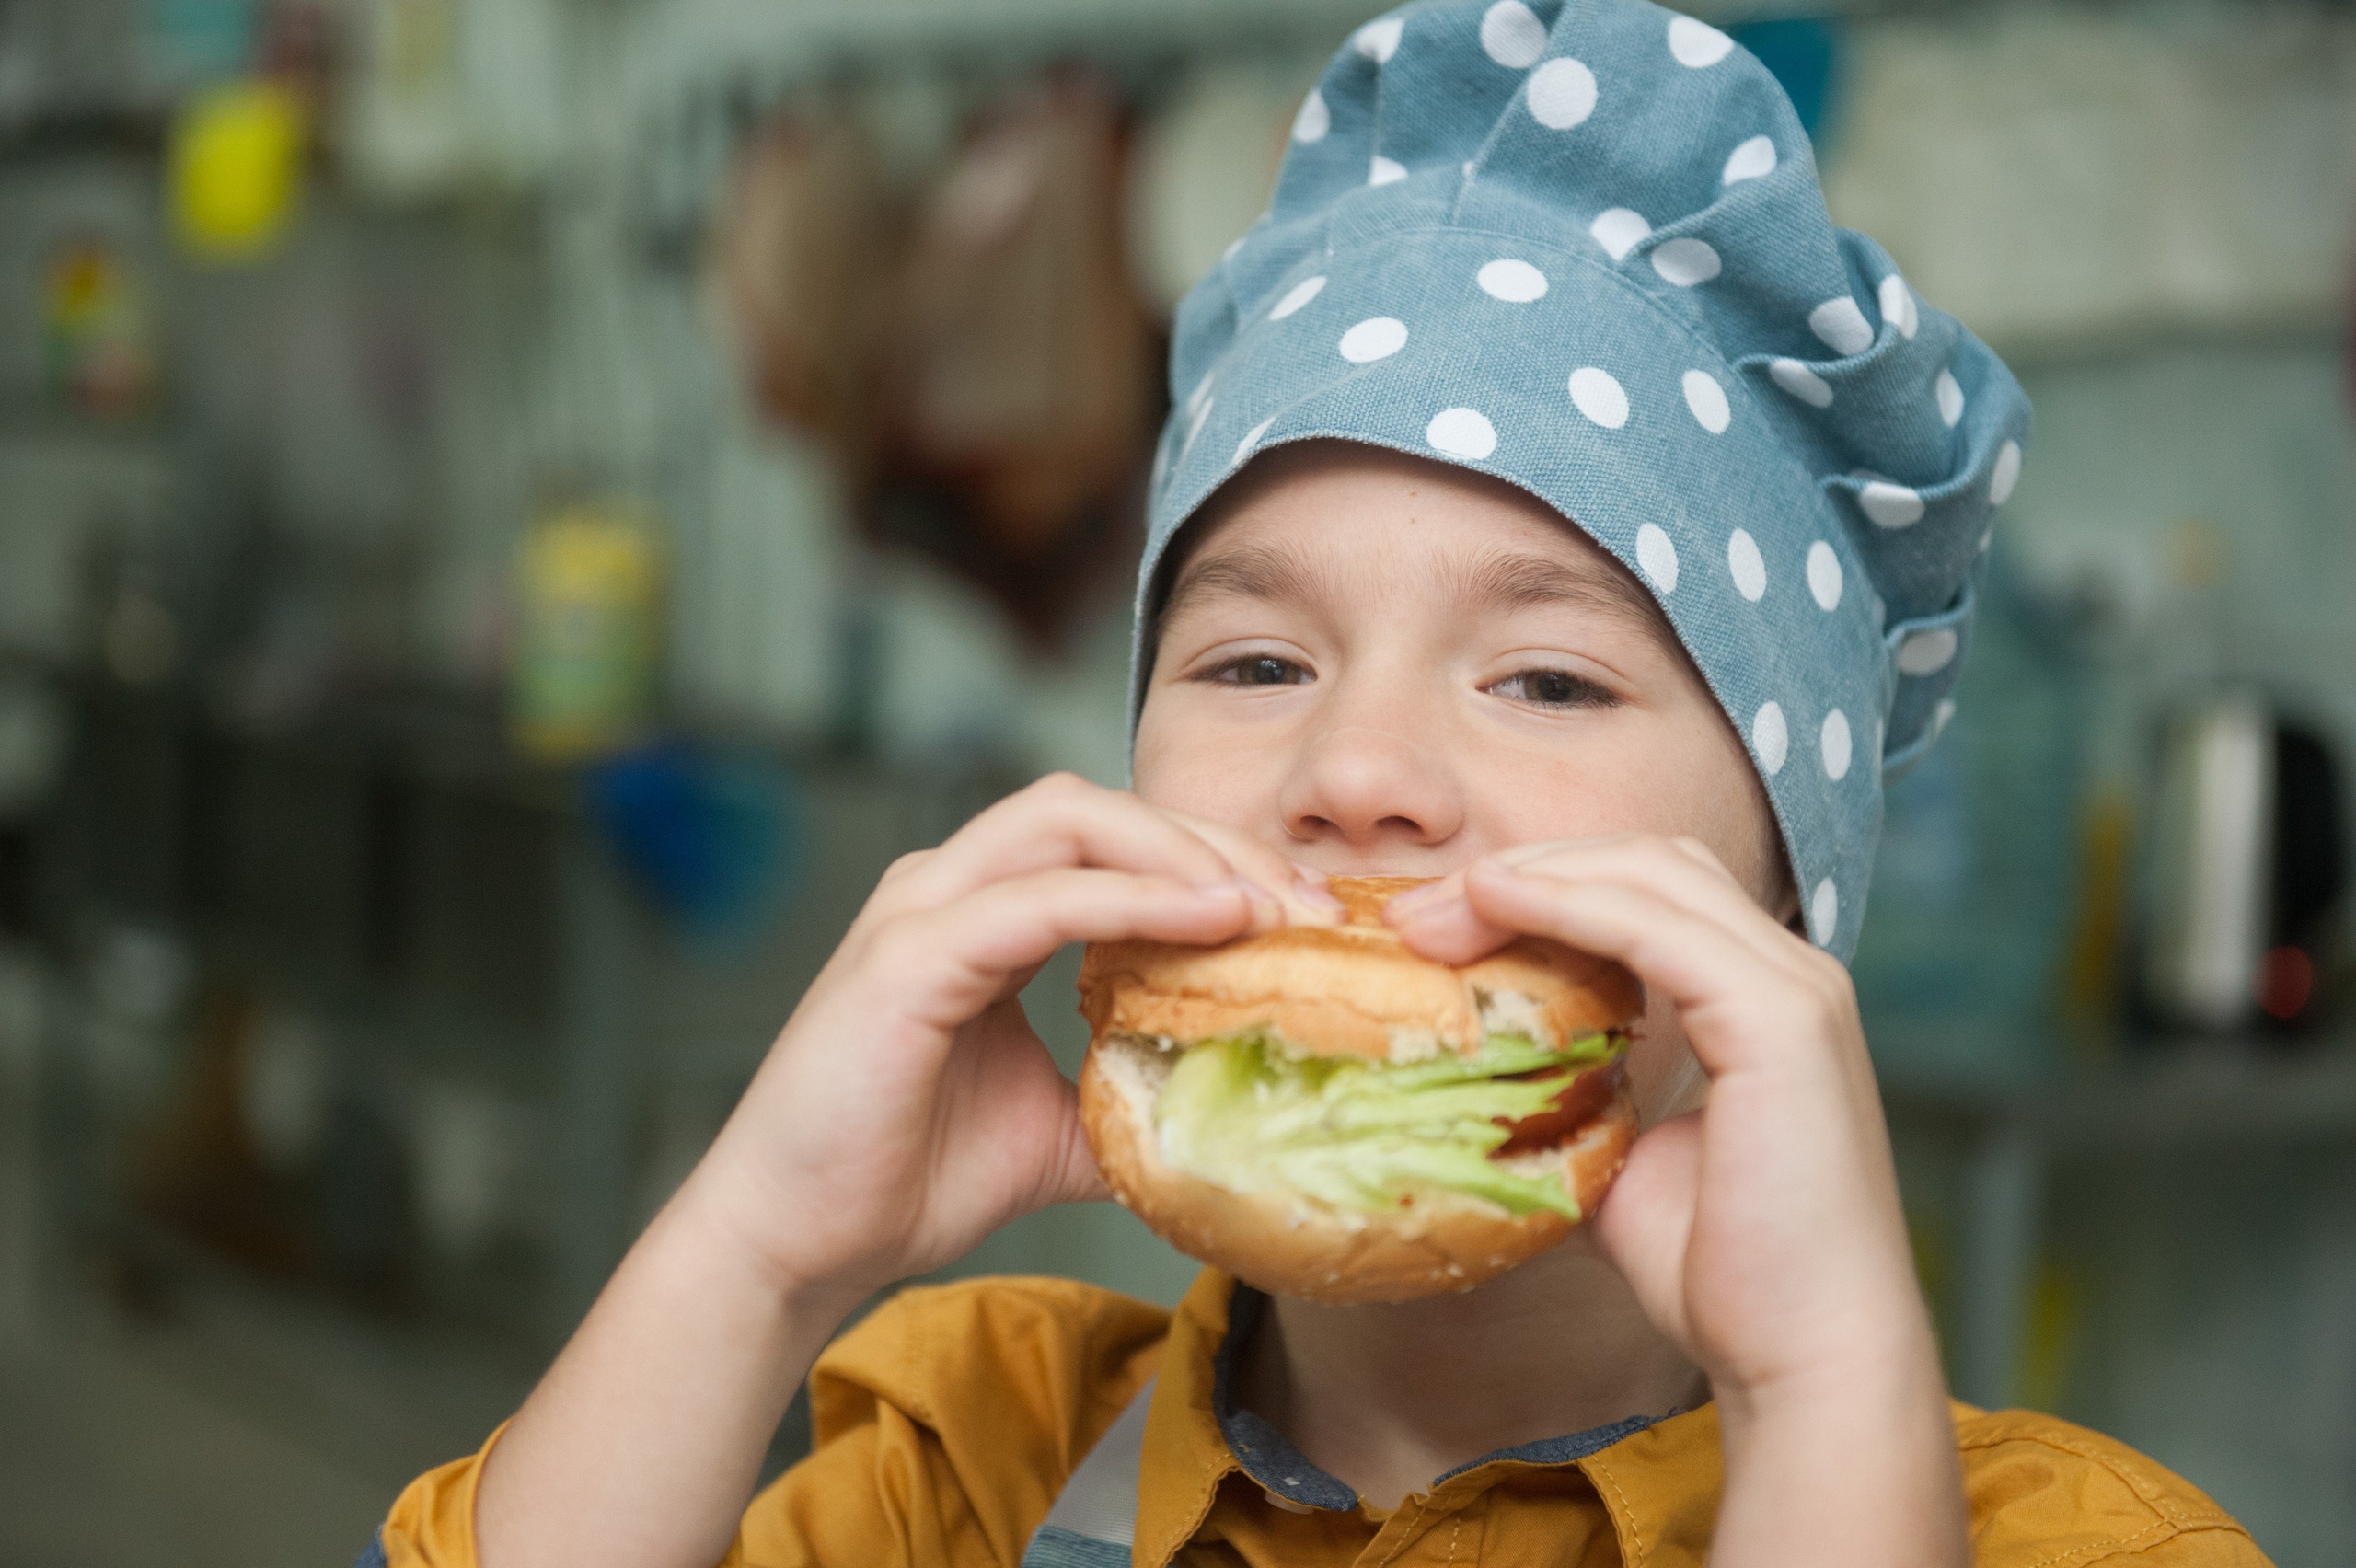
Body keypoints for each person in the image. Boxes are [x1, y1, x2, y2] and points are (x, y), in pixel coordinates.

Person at [365, 2, 2268, 1563]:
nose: (1355, 773)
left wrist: (1820, 1395)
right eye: (1254, 661)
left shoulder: (2071, 1539)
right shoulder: (966, 1451)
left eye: (1545, 675)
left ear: (1779, 901)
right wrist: (759, 1242)